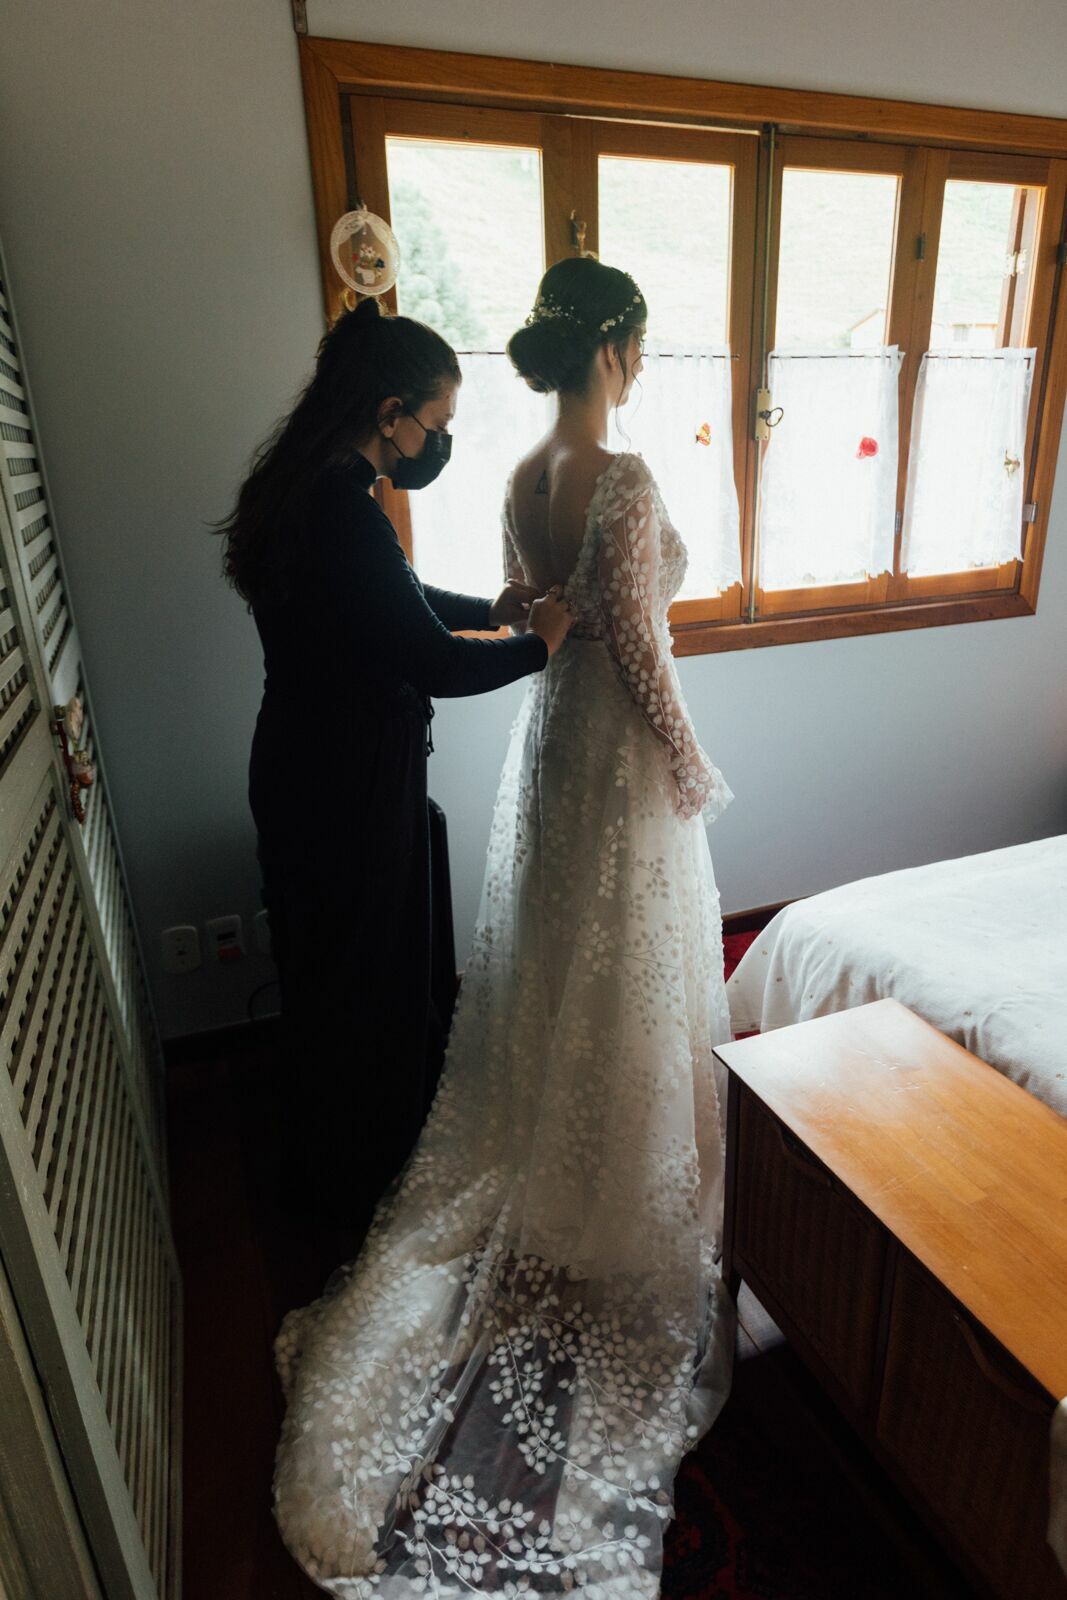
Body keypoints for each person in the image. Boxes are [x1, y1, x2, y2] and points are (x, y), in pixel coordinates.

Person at [272, 259, 736, 1598]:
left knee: (558, 965)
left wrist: (562, 645)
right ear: (616, 349)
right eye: (639, 347)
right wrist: (691, 765)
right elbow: (636, 651)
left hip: (551, 747)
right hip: (618, 754)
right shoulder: (622, 478)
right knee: (625, 965)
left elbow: (516, 609)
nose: (640, 366)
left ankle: (550, 1151)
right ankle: (611, 1198)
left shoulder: (521, 475)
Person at [219, 299, 573, 1233]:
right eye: (437, 422)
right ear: (390, 414)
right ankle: (360, 1184)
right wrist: (537, 644)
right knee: (363, 984)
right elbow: (431, 661)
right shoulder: (342, 509)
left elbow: (394, 602)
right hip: (345, 784)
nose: (438, 441)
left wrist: (491, 608)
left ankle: (335, 1166)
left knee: (332, 976)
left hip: (306, 763)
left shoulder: (307, 485)